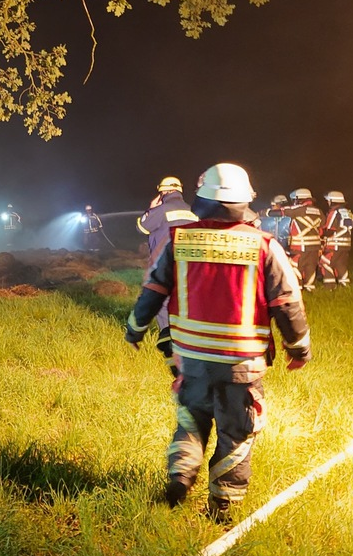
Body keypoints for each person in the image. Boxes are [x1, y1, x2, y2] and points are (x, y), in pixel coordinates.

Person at [124, 162, 312, 522]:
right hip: (240, 365)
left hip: (191, 360)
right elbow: (288, 304)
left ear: (202, 198)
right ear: (245, 202)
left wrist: (135, 330)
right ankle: (222, 507)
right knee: (236, 433)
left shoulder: (179, 240)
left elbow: (152, 291)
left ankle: (180, 475)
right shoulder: (264, 246)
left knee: (191, 420)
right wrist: (299, 349)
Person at [135, 176, 198, 377]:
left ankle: (170, 343)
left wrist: (151, 208)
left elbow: (142, 226)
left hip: (164, 263)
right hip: (189, 263)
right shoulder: (193, 211)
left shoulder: (161, 209)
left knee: (163, 302)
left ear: (163, 192)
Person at [281, 188, 324, 291]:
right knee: (311, 266)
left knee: (296, 266)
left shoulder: (297, 210)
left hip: (299, 246)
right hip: (315, 246)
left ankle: (297, 287)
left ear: (298, 199)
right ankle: (309, 287)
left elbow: (280, 212)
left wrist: (264, 212)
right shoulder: (319, 211)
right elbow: (322, 226)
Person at [318, 190, 353, 288]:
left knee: (325, 262)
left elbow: (329, 229)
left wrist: (320, 235)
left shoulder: (333, 212)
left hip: (334, 244)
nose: (327, 203)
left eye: (328, 201)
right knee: (340, 264)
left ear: (332, 201)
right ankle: (345, 284)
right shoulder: (348, 212)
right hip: (346, 244)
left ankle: (330, 286)